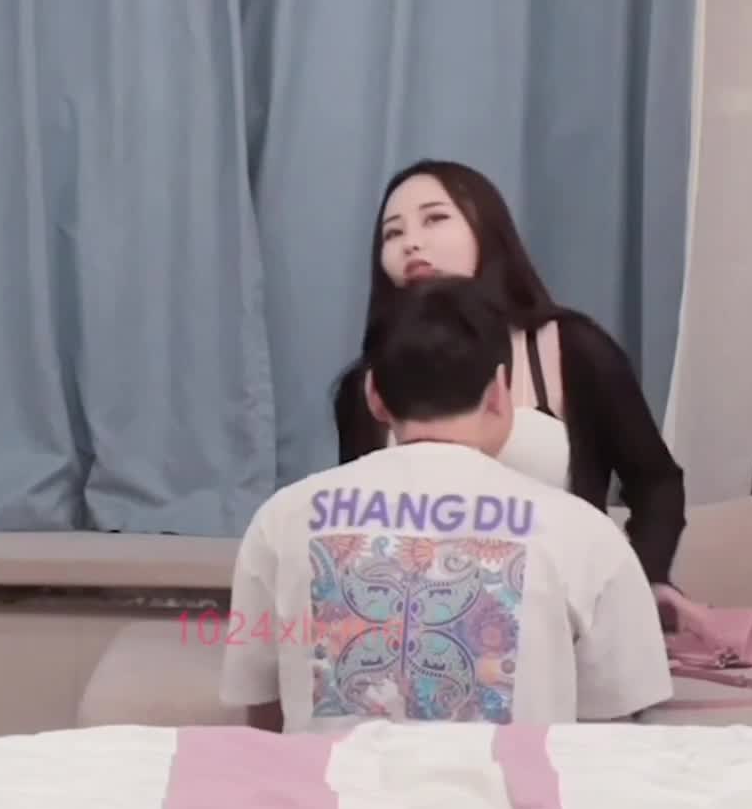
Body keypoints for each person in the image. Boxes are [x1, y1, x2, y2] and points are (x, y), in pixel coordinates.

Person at [220, 275, 673, 733]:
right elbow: (613, 735)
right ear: (499, 393)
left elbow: (262, 718)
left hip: (331, 782)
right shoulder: (586, 534)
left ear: (374, 395)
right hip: (512, 782)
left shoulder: (281, 519)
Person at [332, 158, 688, 591]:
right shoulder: (363, 383)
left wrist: (639, 583)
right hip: (418, 613)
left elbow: (656, 484)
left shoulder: (571, 348)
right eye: (393, 233)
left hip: (561, 607)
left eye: (435, 219)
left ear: (487, 228)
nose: (411, 243)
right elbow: (356, 526)